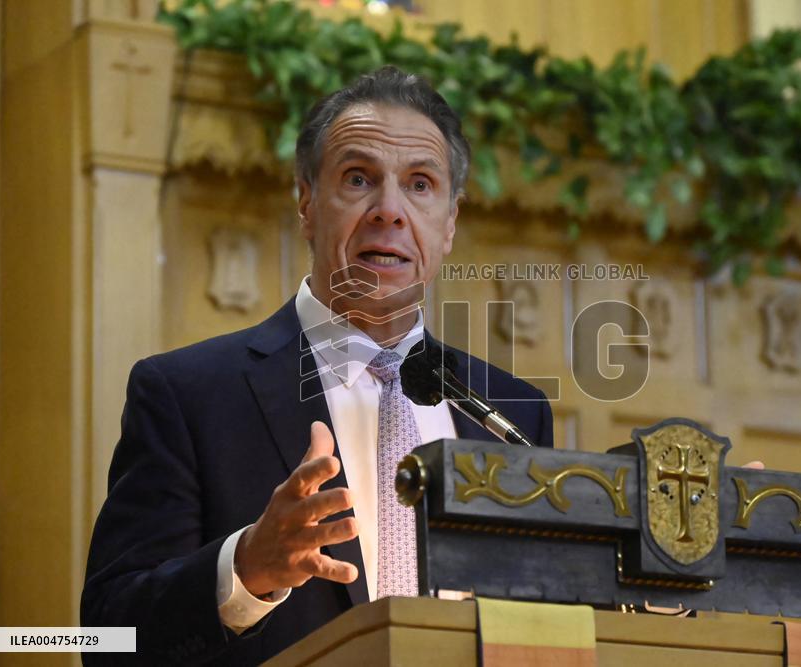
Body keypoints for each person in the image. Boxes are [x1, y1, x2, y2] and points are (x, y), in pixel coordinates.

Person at [81, 66, 554, 666]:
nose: (390, 210)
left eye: (420, 184)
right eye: (358, 179)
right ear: (306, 203)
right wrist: (245, 569)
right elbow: (106, 637)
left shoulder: (514, 414)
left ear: (450, 222)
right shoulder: (187, 395)